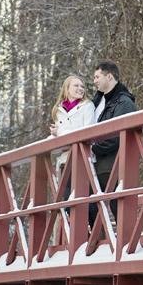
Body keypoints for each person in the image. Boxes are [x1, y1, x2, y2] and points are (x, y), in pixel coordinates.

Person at [90, 61, 136, 225]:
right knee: (86, 205)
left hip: (113, 164)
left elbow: (117, 137)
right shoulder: (97, 100)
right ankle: (95, 245)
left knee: (119, 208)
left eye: (97, 76)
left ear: (109, 76)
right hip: (95, 163)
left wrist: (92, 148)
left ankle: (127, 246)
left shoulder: (124, 103)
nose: (94, 81)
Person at [50, 76, 96, 205]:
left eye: (82, 86)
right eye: (76, 86)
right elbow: (60, 139)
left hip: (83, 160)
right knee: (68, 205)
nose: (80, 88)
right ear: (67, 89)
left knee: (89, 206)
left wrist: (59, 132)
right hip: (65, 161)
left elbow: (86, 135)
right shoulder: (58, 110)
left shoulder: (87, 106)